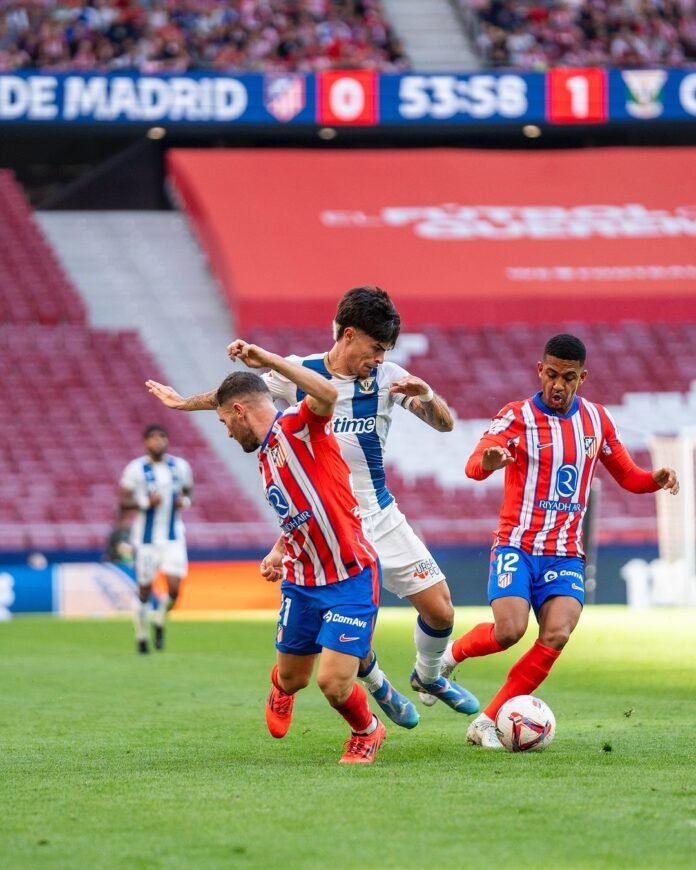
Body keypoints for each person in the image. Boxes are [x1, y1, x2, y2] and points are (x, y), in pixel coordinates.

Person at [145, 286, 479, 729]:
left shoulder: (387, 377)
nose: (379, 358)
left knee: (441, 610)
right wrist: (184, 402)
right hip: (330, 523)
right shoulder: (298, 373)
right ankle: (375, 681)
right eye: (375, 348)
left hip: (378, 513)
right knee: (342, 618)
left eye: (385, 351)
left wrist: (429, 394)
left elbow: (444, 424)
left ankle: (429, 676)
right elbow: (239, 396)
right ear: (349, 334)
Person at [435, 334, 680, 748]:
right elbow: (475, 465)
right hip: (517, 544)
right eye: (551, 374)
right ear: (540, 371)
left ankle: (488, 720)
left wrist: (652, 480)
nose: (558, 385)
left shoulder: (597, 420)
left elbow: (627, 475)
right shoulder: (516, 416)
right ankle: (447, 657)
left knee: (557, 634)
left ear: (582, 377)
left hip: (565, 552)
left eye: (568, 377)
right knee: (509, 631)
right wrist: (491, 461)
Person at [215, 340, 386, 764]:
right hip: (302, 579)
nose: (226, 431)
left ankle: (367, 731)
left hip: (350, 576)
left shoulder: (297, 425)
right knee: (293, 680)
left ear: (239, 411)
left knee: (333, 684)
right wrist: (279, 550)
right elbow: (302, 511)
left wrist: (270, 360)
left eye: (223, 421)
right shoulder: (267, 458)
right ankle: (281, 687)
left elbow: (328, 394)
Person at [119, 424, 193, 654]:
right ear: (145, 443)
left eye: (162, 437)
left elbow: (189, 491)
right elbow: (123, 502)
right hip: (145, 540)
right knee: (144, 589)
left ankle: (159, 621)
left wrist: (185, 502)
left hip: (173, 538)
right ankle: (141, 637)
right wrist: (145, 504)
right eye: (153, 438)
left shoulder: (179, 466)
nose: (158, 442)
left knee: (174, 590)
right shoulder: (135, 469)